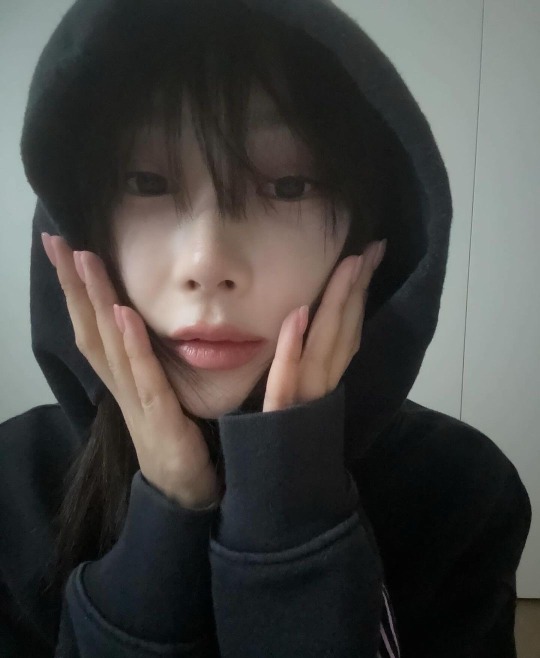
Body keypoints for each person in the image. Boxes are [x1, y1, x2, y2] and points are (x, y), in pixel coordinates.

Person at [0, 0, 531, 656]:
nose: (207, 263)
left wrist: (289, 508)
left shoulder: (461, 489)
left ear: (368, 230)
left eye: (288, 187)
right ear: (79, 220)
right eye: (146, 181)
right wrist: (166, 506)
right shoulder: (14, 485)